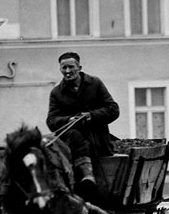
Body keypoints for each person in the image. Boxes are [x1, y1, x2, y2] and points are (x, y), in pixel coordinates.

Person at [46, 52, 119, 197]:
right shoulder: (56, 92)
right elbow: (51, 121)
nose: (67, 71)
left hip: (97, 140)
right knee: (71, 136)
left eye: (71, 67)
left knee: (80, 139)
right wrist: (69, 120)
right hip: (70, 145)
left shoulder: (95, 84)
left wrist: (91, 116)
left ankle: (88, 177)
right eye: (64, 68)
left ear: (79, 67)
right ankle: (82, 181)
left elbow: (113, 109)